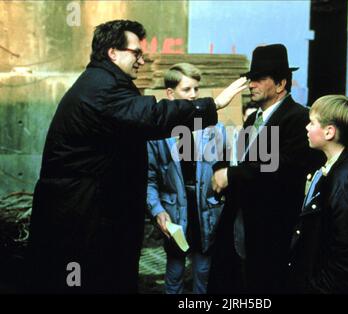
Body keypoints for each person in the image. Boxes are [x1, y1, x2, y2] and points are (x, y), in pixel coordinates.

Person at [26, 20, 246, 293]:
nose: (142, 61)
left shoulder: (102, 83)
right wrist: (211, 105)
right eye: (136, 53)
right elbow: (153, 116)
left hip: (89, 212)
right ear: (112, 53)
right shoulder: (103, 89)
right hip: (83, 218)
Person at [208, 44, 322, 293]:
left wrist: (231, 174)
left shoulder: (299, 119)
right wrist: (222, 166)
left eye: (259, 79)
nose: (251, 85)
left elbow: (283, 169)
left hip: (273, 229)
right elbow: (241, 159)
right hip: (243, 222)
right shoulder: (252, 119)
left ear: (281, 84)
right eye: (251, 79)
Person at [286, 95, 348, 293]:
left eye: (312, 123)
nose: (307, 128)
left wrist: (317, 289)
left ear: (329, 132)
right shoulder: (338, 164)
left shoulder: (346, 181)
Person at [147, 63, 228, 294]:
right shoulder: (156, 133)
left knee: (204, 271)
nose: (194, 95)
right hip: (175, 213)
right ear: (170, 94)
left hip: (206, 210)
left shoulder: (214, 128)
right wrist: (156, 209)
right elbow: (149, 178)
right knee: (174, 272)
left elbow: (223, 171)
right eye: (187, 89)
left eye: (196, 89)